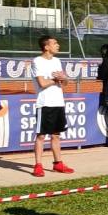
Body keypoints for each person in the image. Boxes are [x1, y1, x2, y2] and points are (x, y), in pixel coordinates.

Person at [31, 35, 73, 177]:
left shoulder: (57, 61)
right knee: (41, 136)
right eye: (54, 43)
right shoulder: (37, 61)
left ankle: (58, 163)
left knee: (56, 135)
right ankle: (38, 165)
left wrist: (64, 78)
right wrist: (56, 79)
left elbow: (64, 83)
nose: (58, 45)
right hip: (45, 103)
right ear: (46, 46)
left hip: (58, 102)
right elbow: (42, 83)